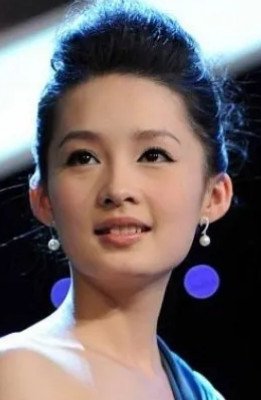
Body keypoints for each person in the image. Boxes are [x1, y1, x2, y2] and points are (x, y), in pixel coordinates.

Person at [0, 1, 244, 399]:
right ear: (43, 198)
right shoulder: (16, 374)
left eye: (153, 155)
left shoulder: (202, 392)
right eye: (83, 158)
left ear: (213, 195)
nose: (117, 189)